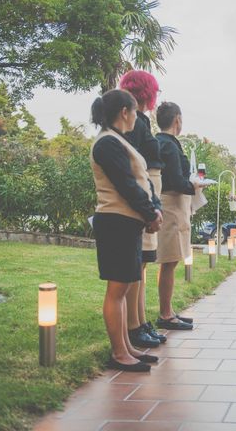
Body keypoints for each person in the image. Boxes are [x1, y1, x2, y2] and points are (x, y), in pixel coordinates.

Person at [89, 89, 163, 372]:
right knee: (117, 289)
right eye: (134, 112)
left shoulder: (119, 141)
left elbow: (143, 180)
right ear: (124, 112)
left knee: (127, 284)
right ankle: (119, 353)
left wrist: (154, 208)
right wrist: (149, 212)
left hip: (129, 221)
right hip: (115, 221)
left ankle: (127, 346)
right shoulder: (107, 143)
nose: (137, 117)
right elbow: (126, 184)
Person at [120, 70, 167, 348]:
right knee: (138, 264)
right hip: (143, 195)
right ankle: (134, 325)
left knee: (143, 264)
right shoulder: (136, 121)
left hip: (149, 193)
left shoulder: (140, 119)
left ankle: (140, 320)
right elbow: (136, 165)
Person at [155, 102, 204, 328]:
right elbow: (175, 180)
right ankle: (165, 314)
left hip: (173, 205)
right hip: (171, 205)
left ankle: (169, 310)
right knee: (169, 260)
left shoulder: (161, 142)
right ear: (177, 120)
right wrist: (194, 185)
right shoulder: (169, 145)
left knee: (171, 260)